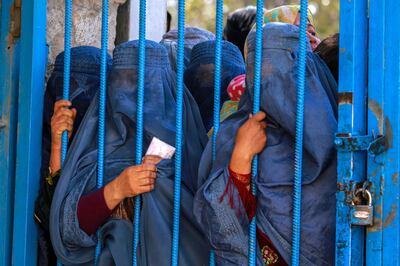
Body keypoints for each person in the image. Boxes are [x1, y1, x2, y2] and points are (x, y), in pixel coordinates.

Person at [50, 40, 210, 265]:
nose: (132, 96)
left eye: (147, 84)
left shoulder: (191, 151)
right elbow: (66, 231)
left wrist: (163, 178)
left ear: (167, 84)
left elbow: (212, 226)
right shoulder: (94, 151)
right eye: (123, 82)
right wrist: (118, 188)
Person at [194, 23, 337, 265]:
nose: (271, 80)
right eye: (261, 71)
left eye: (284, 68)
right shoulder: (232, 133)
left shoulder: (336, 130)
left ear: (306, 67)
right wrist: (240, 159)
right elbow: (218, 222)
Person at [34, 46, 111, 266]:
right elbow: (51, 218)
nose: (78, 101)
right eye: (71, 87)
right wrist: (58, 147)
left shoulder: (117, 144)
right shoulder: (34, 145)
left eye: (90, 91)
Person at [184, 40, 246, 132]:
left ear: (231, 73)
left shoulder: (244, 110)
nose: (207, 80)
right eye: (202, 74)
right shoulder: (183, 108)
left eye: (214, 73)